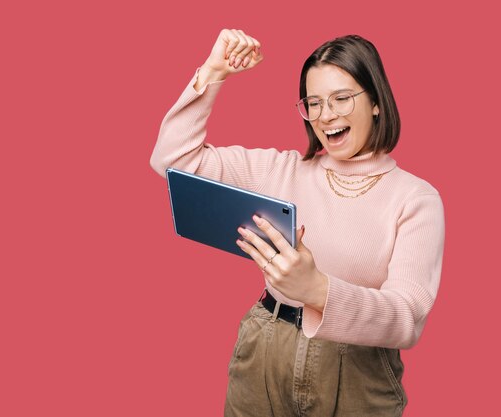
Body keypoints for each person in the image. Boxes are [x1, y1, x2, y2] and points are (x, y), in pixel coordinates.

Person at [150, 28, 445, 417]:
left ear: (375, 101)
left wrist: (318, 290)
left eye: (342, 98)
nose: (326, 116)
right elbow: (171, 162)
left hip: (357, 369)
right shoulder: (282, 170)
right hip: (265, 348)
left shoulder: (415, 198)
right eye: (314, 103)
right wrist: (212, 72)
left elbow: (407, 319)